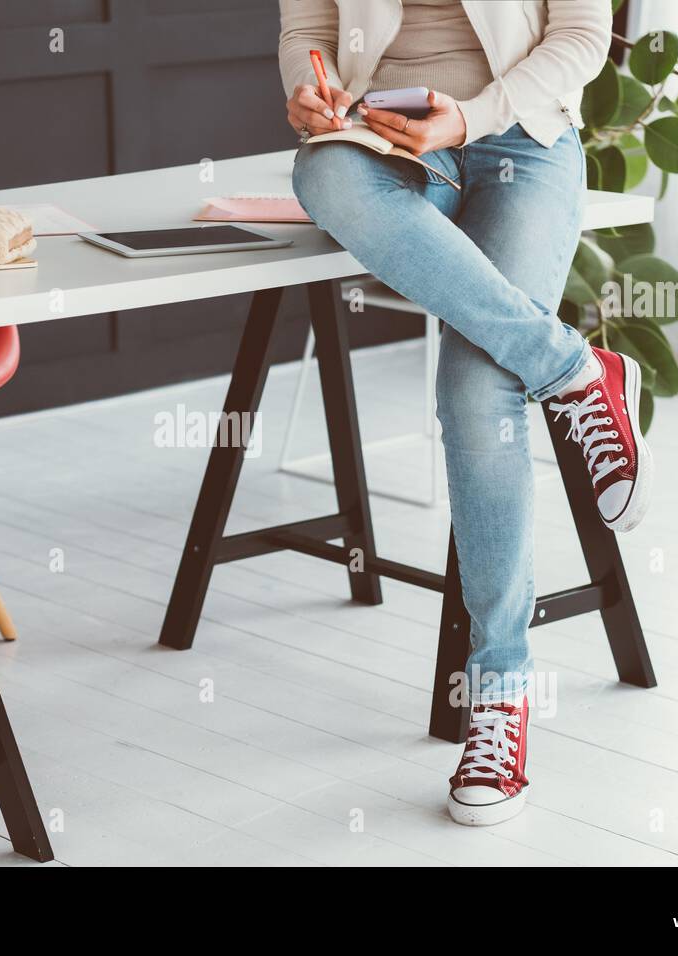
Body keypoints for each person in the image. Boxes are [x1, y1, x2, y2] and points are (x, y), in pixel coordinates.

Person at [279, 0, 652, 826]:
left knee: (475, 389)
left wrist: (472, 117)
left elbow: (583, 34)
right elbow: (307, 28)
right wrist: (311, 92)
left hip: (522, 139)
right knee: (320, 173)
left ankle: (500, 696)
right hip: (381, 140)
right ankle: (575, 371)